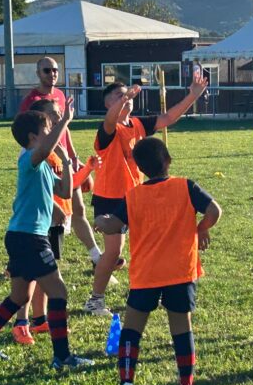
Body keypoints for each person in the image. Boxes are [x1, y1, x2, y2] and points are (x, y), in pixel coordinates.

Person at [0, 98, 94, 371]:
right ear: (32, 137)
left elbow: (63, 192)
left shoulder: (45, 165)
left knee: (19, 297)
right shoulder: (29, 159)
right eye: (47, 130)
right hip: (29, 238)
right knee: (59, 292)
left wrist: (66, 162)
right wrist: (65, 121)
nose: (52, 135)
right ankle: (62, 357)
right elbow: (45, 148)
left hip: (23, 236)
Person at [94, 137, 221, 385]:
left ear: (140, 169)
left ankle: (126, 382)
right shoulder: (186, 187)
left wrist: (100, 219)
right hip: (180, 271)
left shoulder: (133, 196)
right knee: (181, 327)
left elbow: (112, 225)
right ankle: (186, 384)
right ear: (168, 161)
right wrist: (200, 229)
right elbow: (214, 210)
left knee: (132, 328)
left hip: (146, 274)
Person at [83, 74, 208, 316]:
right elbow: (110, 120)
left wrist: (192, 95)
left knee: (148, 247)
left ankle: (154, 291)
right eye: (118, 96)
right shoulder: (109, 129)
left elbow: (168, 117)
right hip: (110, 198)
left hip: (136, 197)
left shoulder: (138, 124)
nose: (126, 97)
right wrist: (125, 98)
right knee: (113, 252)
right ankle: (95, 300)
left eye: (126, 94)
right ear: (108, 104)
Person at [10, 99, 101, 346]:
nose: (55, 127)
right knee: (34, 286)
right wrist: (66, 121)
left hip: (45, 229)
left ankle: (35, 322)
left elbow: (64, 189)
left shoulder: (50, 156)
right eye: (52, 121)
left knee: (36, 282)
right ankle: (25, 326)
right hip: (29, 231)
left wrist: (75, 165)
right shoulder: (30, 154)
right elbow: (33, 190)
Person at [19, 57, 106, 268]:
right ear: (38, 73)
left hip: (63, 158)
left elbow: (64, 127)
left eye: (55, 70)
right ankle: (25, 262)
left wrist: (74, 157)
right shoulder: (32, 100)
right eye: (47, 70)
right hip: (46, 158)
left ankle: (96, 257)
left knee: (77, 208)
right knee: (49, 213)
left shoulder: (58, 95)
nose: (52, 74)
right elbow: (27, 133)